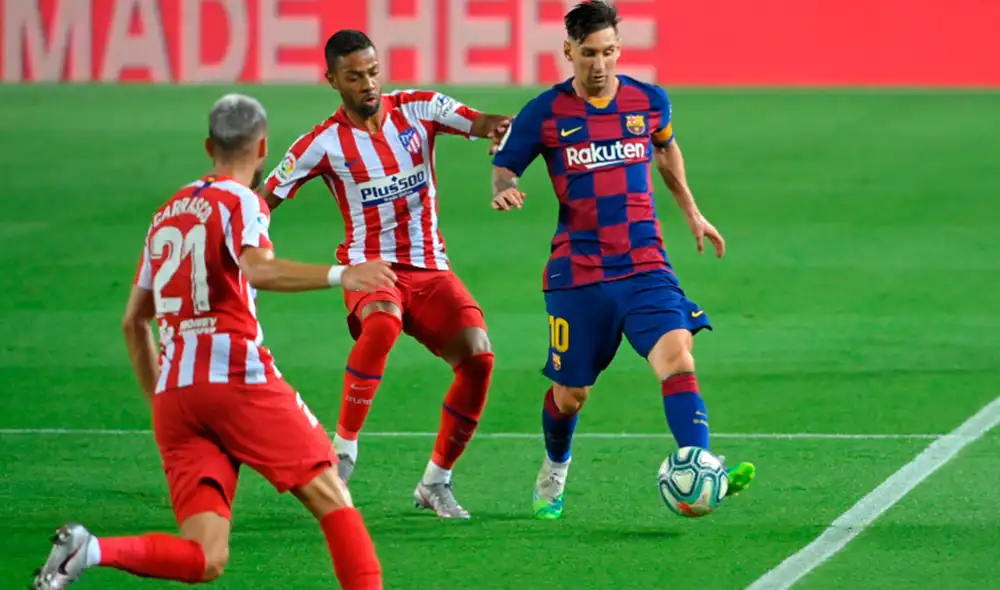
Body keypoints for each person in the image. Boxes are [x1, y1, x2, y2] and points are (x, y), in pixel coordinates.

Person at [31, 93, 393, 590]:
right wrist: (342, 274)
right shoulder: (242, 200)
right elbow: (257, 268)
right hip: (238, 379)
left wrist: (164, 398)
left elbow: (134, 321)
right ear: (263, 147)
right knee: (333, 496)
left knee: (206, 556)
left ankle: (88, 550)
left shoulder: (167, 211)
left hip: (177, 398)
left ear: (208, 145)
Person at [489, 1, 756, 520]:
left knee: (678, 356)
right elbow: (505, 166)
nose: (599, 64)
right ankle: (555, 466)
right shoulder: (544, 113)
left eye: (609, 52)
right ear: (568, 51)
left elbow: (666, 149)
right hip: (579, 274)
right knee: (570, 395)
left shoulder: (648, 101)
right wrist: (505, 189)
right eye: (588, 53)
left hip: (645, 266)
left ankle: (699, 462)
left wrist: (693, 213)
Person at [259, 29, 510, 519]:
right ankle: (344, 451)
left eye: (373, 72)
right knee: (382, 322)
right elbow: (262, 201)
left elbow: (483, 121)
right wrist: (247, 245)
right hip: (370, 269)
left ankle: (435, 482)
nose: (368, 84)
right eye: (354, 77)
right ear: (332, 80)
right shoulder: (322, 142)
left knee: (479, 358)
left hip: (431, 269)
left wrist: (504, 129)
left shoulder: (419, 109)